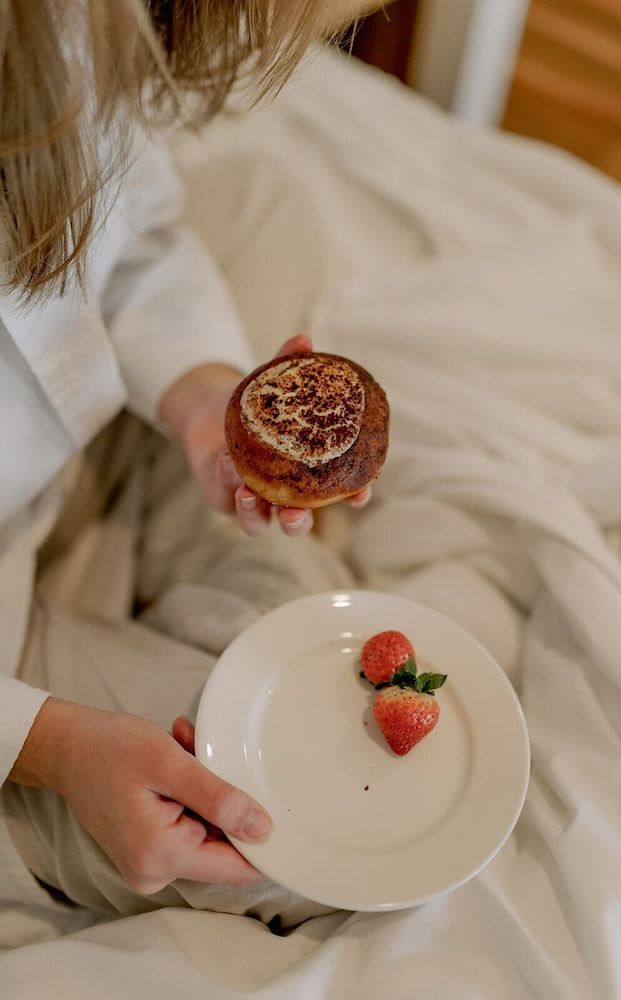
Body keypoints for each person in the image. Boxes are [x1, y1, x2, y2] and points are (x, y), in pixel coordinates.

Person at [0, 1, 370, 932]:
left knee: (266, 202)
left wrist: (202, 399)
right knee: (317, 833)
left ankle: (199, 608)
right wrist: (53, 748)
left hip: (55, 455)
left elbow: (133, 238)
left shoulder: (60, 22)